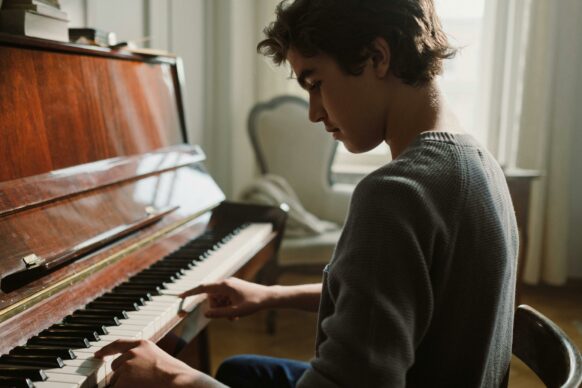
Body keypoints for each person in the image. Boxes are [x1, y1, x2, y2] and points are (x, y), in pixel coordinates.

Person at [96, 0, 519, 386]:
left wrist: (175, 379)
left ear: (377, 57)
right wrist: (272, 295)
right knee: (241, 370)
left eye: (315, 83)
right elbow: (396, 298)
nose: (314, 112)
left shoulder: (396, 193)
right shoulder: (479, 163)